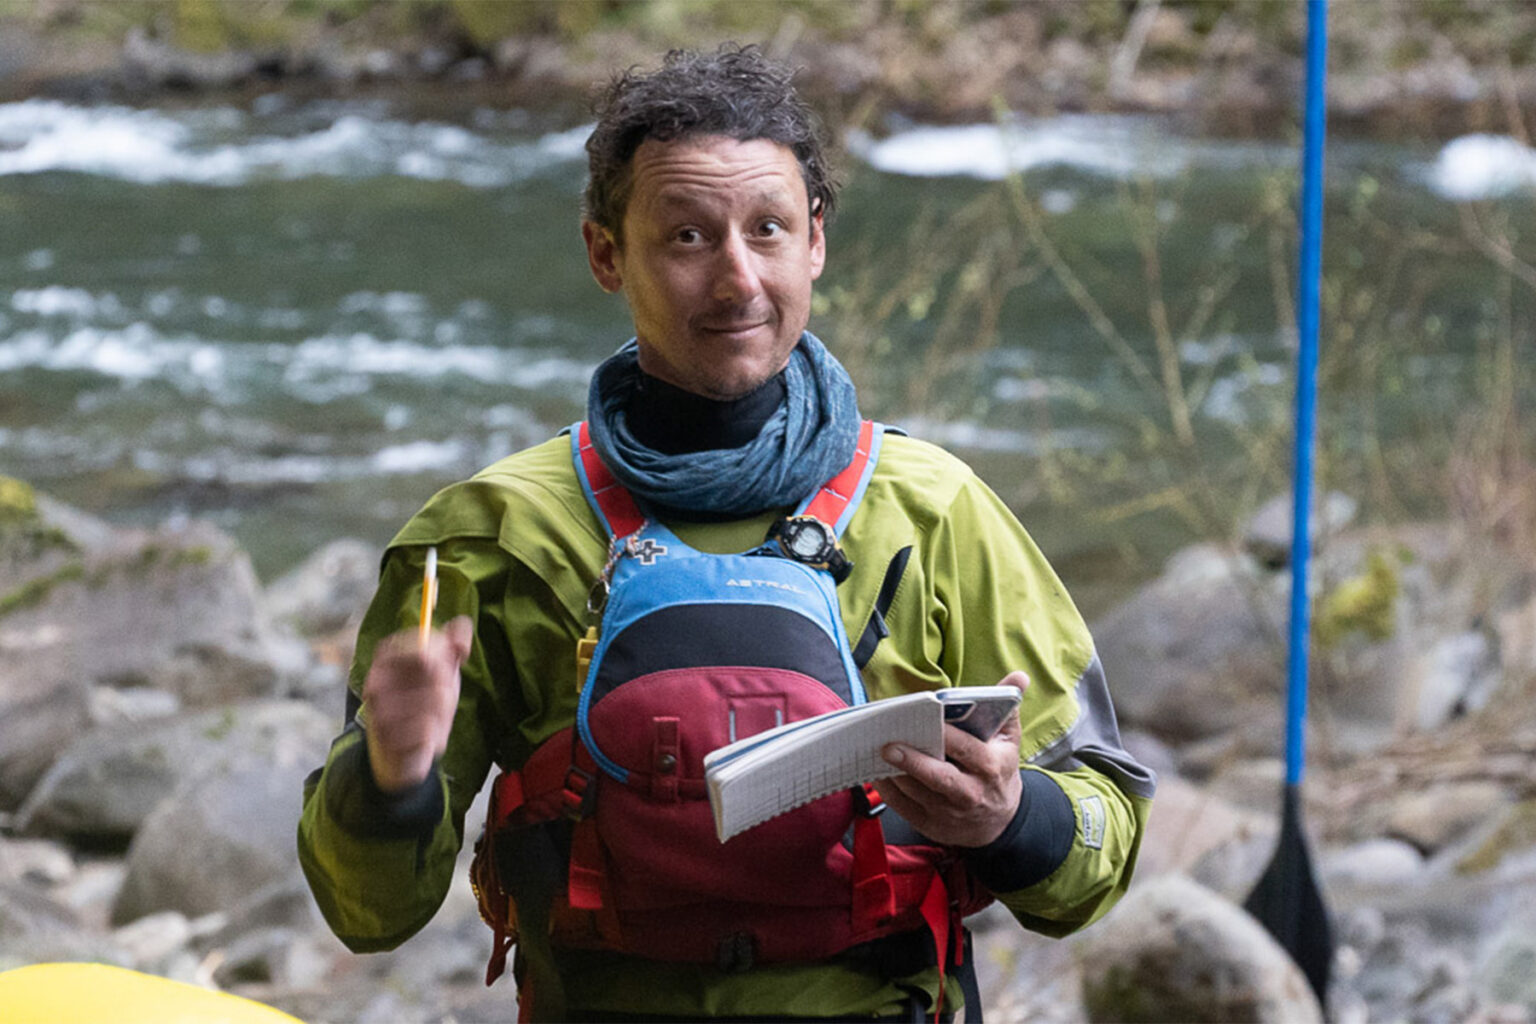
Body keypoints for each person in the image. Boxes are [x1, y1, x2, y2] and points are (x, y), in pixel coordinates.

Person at [298, 44, 1154, 1022]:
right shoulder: (491, 535)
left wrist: (1012, 817)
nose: (738, 278)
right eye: (690, 236)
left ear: (817, 241)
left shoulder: (938, 511)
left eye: (769, 228)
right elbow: (367, 912)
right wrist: (393, 779)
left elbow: (1104, 841)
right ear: (605, 252)